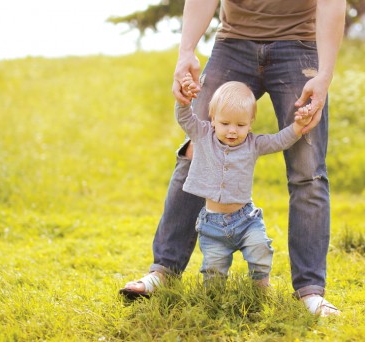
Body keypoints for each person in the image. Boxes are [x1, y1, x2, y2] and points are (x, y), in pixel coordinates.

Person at [120, 0, 345, 317]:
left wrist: (324, 76)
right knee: (194, 154)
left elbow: (332, 5)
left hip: (299, 46)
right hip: (233, 44)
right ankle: (164, 271)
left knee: (307, 171)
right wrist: (186, 52)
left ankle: (310, 292)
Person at [176, 75, 312, 288]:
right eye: (225, 123)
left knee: (260, 250)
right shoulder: (203, 134)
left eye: (240, 125)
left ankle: (259, 288)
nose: (232, 130)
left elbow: (279, 141)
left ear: (250, 124)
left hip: (246, 219)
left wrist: (297, 126)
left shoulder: (253, 144)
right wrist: (184, 100)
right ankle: (213, 301)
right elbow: (185, 119)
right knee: (213, 271)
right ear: (212, 119)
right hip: (212, 224)